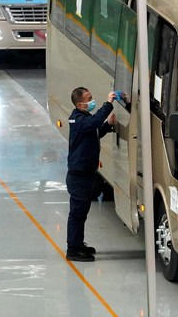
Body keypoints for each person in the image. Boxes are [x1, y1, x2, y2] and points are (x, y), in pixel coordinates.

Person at [65, 86, 119, 262]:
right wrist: (109, 103)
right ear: (80, 105)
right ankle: (73, 249)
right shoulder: (78, 120)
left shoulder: (84, 118)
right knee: (77, 214)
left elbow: (95, 131)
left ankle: (78, 245)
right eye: (89, 99)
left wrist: (108, 126)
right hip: (79, 177)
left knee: (81, 213)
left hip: (86, 175)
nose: (91, 101)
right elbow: (93, 124)